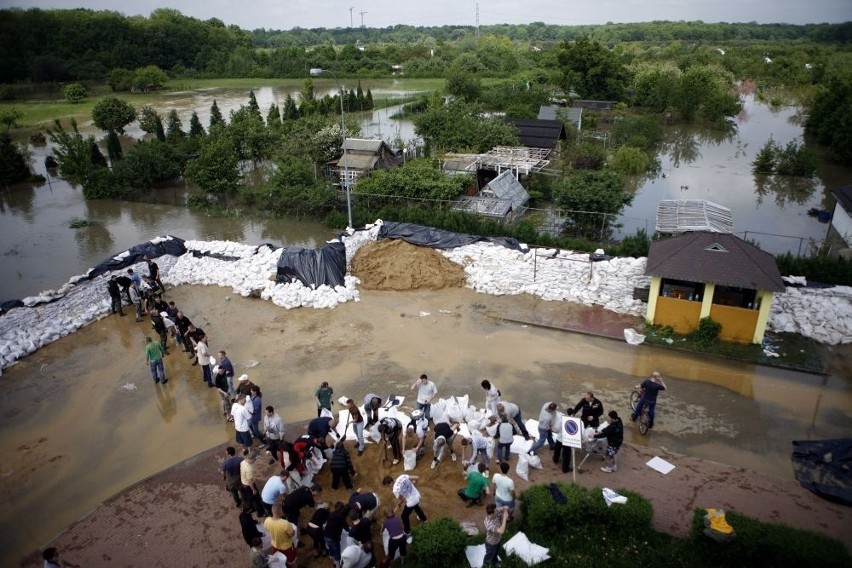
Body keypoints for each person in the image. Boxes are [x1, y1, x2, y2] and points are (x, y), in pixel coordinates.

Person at [240, 452, 265, 517]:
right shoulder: (249, 469)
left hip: (243, 483)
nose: (255, 461)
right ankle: (260, 512)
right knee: (255, 499)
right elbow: (250, 481)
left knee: (251, 498)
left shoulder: (243, 462)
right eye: (255, 460)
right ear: (252, 459)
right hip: (249, 486)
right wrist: (253, 490)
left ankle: (253, 508)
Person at [323, 501, 347, 566]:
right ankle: (337, 565)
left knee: (330, 548)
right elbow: (346, 527)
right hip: (333, 538)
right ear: (342, 510)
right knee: (337, 551)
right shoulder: (341, 518)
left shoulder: (331, 514)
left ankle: (332, 560)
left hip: (325, 535)